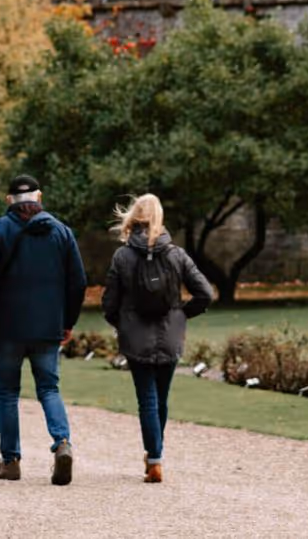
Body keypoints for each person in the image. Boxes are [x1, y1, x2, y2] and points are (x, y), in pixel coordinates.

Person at [0, 174, 87, 486]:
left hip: (8, 326)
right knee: (49, 388)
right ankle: (62, 444)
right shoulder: (62, 232)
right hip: (48, 325)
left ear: (9, 200)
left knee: (8, 393)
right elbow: (78, 283)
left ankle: (11, 461)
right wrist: (68, 321)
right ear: (39, 197)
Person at [101, 193, 213, 483]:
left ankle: (154, 458)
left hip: (136, 336)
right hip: (169, 334)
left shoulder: (122, 256)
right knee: (160, 399)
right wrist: (182, 315)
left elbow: (109, 303)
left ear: (134, 218)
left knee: (147, 400)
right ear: (159, 218)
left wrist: (122, 323)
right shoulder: (177, 254)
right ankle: (156, 456)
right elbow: (205, 293)